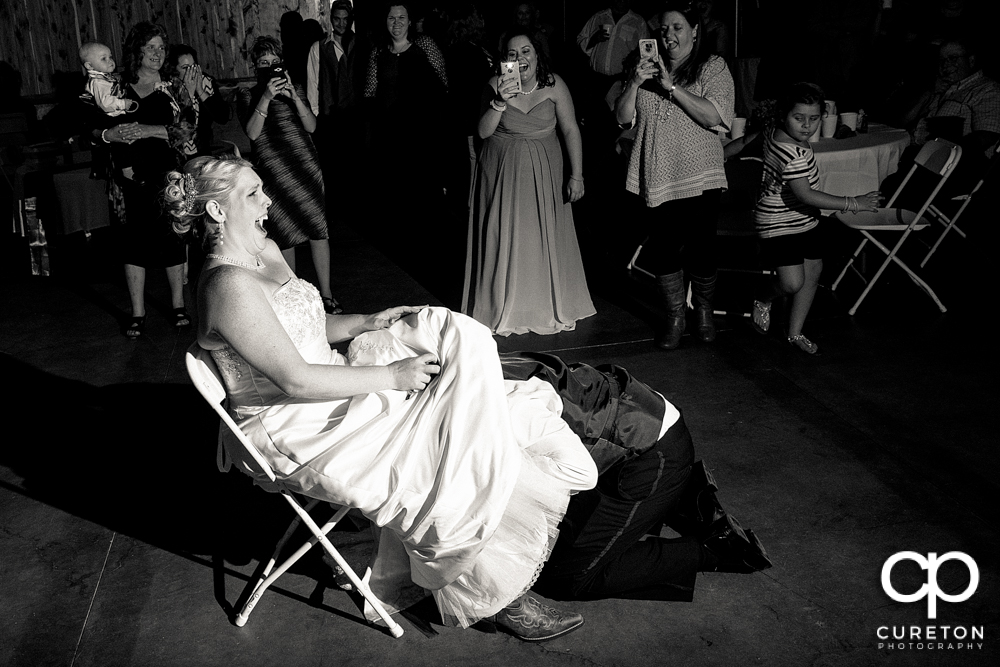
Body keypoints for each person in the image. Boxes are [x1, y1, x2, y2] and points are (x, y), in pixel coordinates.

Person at [167, 154, 599, 639]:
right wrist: (392, 376)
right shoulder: (225, 284)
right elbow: (293, 379)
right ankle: (494, 591)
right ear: (217, 212)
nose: (268, 201)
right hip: (295, 424)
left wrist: (366, 322)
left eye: (262, 188)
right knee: (431, 445)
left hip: (327, 381)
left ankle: (479, 503)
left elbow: (308, 326)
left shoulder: (262, 248)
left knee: (452, 345)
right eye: (252, 194)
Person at [614, 1, 735, 350]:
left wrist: (672, 87)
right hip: (659, 173)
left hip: (700, 174)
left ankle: (704, 312)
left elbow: (714, 117)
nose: (669, 36)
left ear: (695, 31)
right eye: (664, 29)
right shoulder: (645, 69)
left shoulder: (712, 67)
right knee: (663, 250)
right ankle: (676, 316)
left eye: (677, 28)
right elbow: (623, 119)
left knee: (702, 249)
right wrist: (635, 83)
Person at [463, 32, 596, 336]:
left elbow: (571, 130)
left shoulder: (554, 84)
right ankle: (503, 304)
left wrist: (577, 175)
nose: (520, 59)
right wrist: (499, 102)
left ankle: (541, 304)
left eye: (526, 51)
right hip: (502, 175)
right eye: (512, 53)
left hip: (545, 174)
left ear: (537, 55)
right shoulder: (495, 84)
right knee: (505, 236)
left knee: (539, 238)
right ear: (503, 59)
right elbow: (482, 133)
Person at [751, 83, 881, 355]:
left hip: (805, 219)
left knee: (813, 272)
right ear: (784, 115)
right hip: (778, 223)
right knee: (791, 283)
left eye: (814, 119)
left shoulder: (778, 132)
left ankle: (794, 332)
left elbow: (748, 140)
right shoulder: (792, 153)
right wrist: (853, 203)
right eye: (799, 119)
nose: (807, 126)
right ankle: (763, 299)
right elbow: (806, 194)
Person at [98, 22, 191, 339]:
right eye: (150, 47)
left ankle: (178, 305)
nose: (157, 53)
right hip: (127, 177)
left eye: (161, 48)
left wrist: (148, 130)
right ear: (136, 49)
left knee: (172, 239)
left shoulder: (173, 87)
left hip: (168, 175)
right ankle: (137, 312)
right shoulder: (115, 86)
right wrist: (107, 134)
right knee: (132, 243)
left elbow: (190, 131)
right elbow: (90, 131)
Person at [236, 36, 341, 314]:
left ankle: (327, 295)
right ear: (256, 67)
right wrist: (267, 97)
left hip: (305, 166)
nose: (270, 67)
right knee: (284, 235)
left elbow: (312, 126)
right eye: (263, 63)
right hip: (273, 172)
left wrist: (295, 97)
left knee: (318, 231)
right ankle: (293, 297)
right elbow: (252, 133)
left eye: (275, 62)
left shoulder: (295, 89)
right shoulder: (247, 95)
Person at [362, 2, 449, 227]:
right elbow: (370, 94)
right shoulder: (378, 53)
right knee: (396, 199)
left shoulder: (425, 46)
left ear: (410, 21)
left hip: (421, 135)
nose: (397, 23)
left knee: (423, 197)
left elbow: (443, 86)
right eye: (392, 18)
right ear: (385, 21)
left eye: (402, 17)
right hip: (391, 138)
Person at [306, 0, 364, 219]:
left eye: (345, 19)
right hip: (330, 117)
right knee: (333, 169)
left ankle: (355, 213)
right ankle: (336, 216)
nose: (341, 24)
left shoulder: (359, 44)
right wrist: (316, 120)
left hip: (355, 116)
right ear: (331, 20)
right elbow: (313, 85)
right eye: (336, 19)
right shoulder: (318, 47)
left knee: (354, 167)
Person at [166, 45, 230, 159]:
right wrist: (188, 94)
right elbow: (176, 127)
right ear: (174, 70)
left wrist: (200, 90)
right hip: (176, 150)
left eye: (193, 66)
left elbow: (222, 117)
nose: (192, 72)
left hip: (204, 147)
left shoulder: (206, 82)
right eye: (185, 68)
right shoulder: (168, 88)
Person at [78, 42, 138, 117]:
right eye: (103, 58)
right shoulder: (98, 81)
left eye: (110, 57)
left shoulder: (105, 77)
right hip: (107, 118)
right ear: (89, 66)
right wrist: (122, 104)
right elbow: (104, 103)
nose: (110, 61)